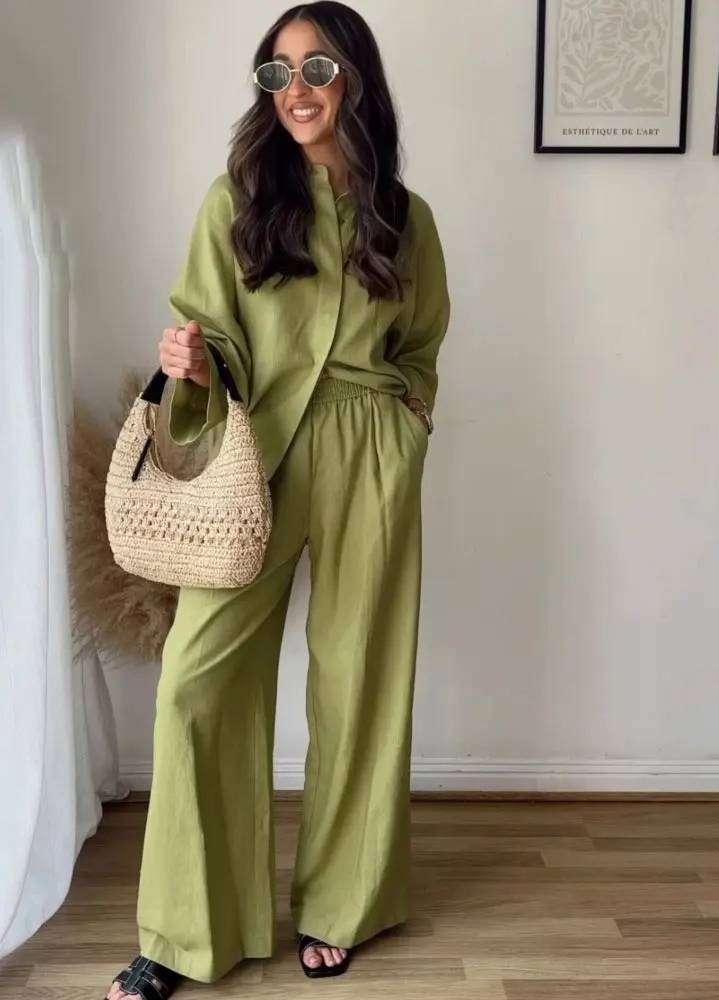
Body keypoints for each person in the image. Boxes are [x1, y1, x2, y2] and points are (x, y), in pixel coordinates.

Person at [106, 2, 450, 996]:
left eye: (317, 68)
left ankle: (345, 903)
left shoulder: (406, 217)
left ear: (356, 80)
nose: (296, 90)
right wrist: (192, 360)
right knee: (196, 679)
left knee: (360, 680)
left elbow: (422, 343)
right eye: (277, 72)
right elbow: (210, 327)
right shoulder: (238, 199)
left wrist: (407, 421)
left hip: (369, 454)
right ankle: (183, 932)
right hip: (254, 456)